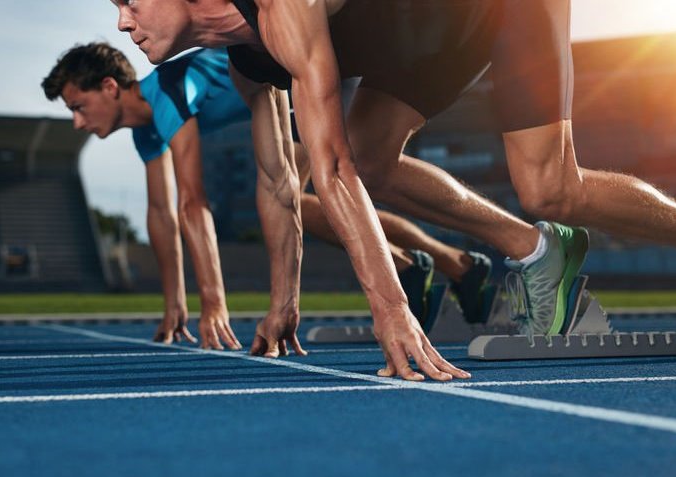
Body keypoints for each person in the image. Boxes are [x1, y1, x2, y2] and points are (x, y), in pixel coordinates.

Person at [111, 0, 676, 377]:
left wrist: (392, 307)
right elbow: (281, 179)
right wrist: (284, 301)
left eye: (130, 1)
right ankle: (536, 252)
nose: (122, 23)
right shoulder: (248, 59)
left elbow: (327, 170)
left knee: (550, 187)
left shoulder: (282, 8)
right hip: (423, 38)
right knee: (367, 156)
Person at [42, 42, 493, 353]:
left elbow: (193, 203)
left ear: (108, 87)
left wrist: (214, 303)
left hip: (295, 82)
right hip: (276, 104)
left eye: (77, 107)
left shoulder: (168, 92)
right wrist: (175, 304)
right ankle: (443, 264)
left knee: (297, 198)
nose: (78, 123)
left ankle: (436, 264)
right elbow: (161, 214)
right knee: (304, 203)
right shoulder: (146, 133)